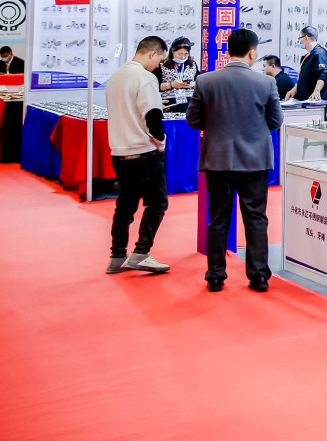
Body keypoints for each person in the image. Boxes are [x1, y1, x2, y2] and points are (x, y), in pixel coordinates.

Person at [187, 28, 283, 293]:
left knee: (218, 218)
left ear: (229, 50)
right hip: (255, 160)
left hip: (217, 159)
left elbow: (193, 119)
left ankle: (215, 275)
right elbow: (276, 120)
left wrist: (217, 128)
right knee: (256, 218)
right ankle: (259, 276)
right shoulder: (266, 83)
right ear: (252, 53)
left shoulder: (205, 81)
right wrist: (253, 130)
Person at [105, 36, 172, 275]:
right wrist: (161, 142)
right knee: (157, 203)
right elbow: (153, 116)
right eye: (160, 60)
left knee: (125, 206)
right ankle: (141, 253)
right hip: (144, 152)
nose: (158, 65)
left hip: (119, 151)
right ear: (153, 53)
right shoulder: (145, 77)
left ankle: (117, 256)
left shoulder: (116, 76)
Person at [287, 26, 327, 101]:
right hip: (303, 97)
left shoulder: (319, 53)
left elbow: (323, 73)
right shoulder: (308, 55)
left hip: (313, 99)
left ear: (306, 37)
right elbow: (303, 77)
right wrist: (295, 89)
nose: (300, 41)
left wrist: (317, 90)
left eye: (300, 38)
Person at [158, 36, 198, 109]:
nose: (182, 57)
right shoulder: (162, 65)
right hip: (169, 102)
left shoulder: (192, 64)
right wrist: (171, 85)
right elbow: (155, 85)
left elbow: (199, 82)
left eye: (186, 54)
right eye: (180, 54)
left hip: (189, 103)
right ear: (172, 51)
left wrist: (192, 84)